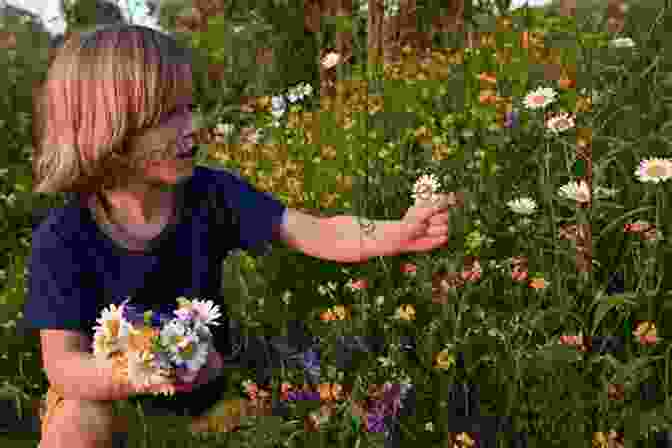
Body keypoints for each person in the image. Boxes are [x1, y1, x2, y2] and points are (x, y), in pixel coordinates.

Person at [25, 23, 453, 448]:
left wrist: (397, 233)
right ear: (110, 133)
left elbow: (318, 231)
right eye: (170, 115)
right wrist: (140, 372)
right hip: (113, 401)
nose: (193, 126)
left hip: (206, 397)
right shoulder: (63, 239)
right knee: (76, 421)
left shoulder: (213, 193)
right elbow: (63, 365)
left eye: (191, 108)